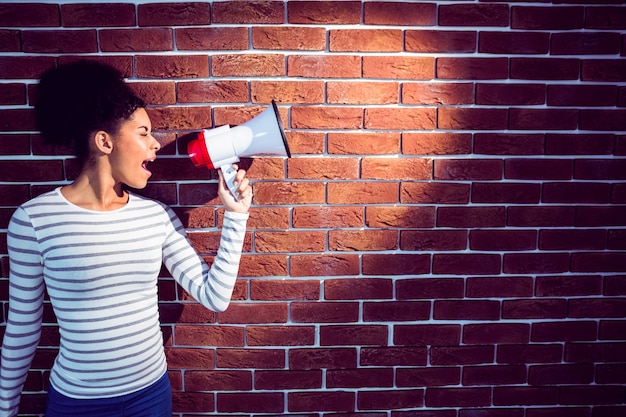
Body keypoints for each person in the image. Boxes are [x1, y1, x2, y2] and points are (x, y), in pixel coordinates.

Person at [0, 60, 252, 417]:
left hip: (150, 397)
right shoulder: (33, 221)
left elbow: (215, 297)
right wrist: (4, 410)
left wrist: (236, 216)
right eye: (144, 132)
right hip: (77, 404)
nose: (155, 145)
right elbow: (23, 330)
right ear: (105, 141)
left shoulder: (156, 217)